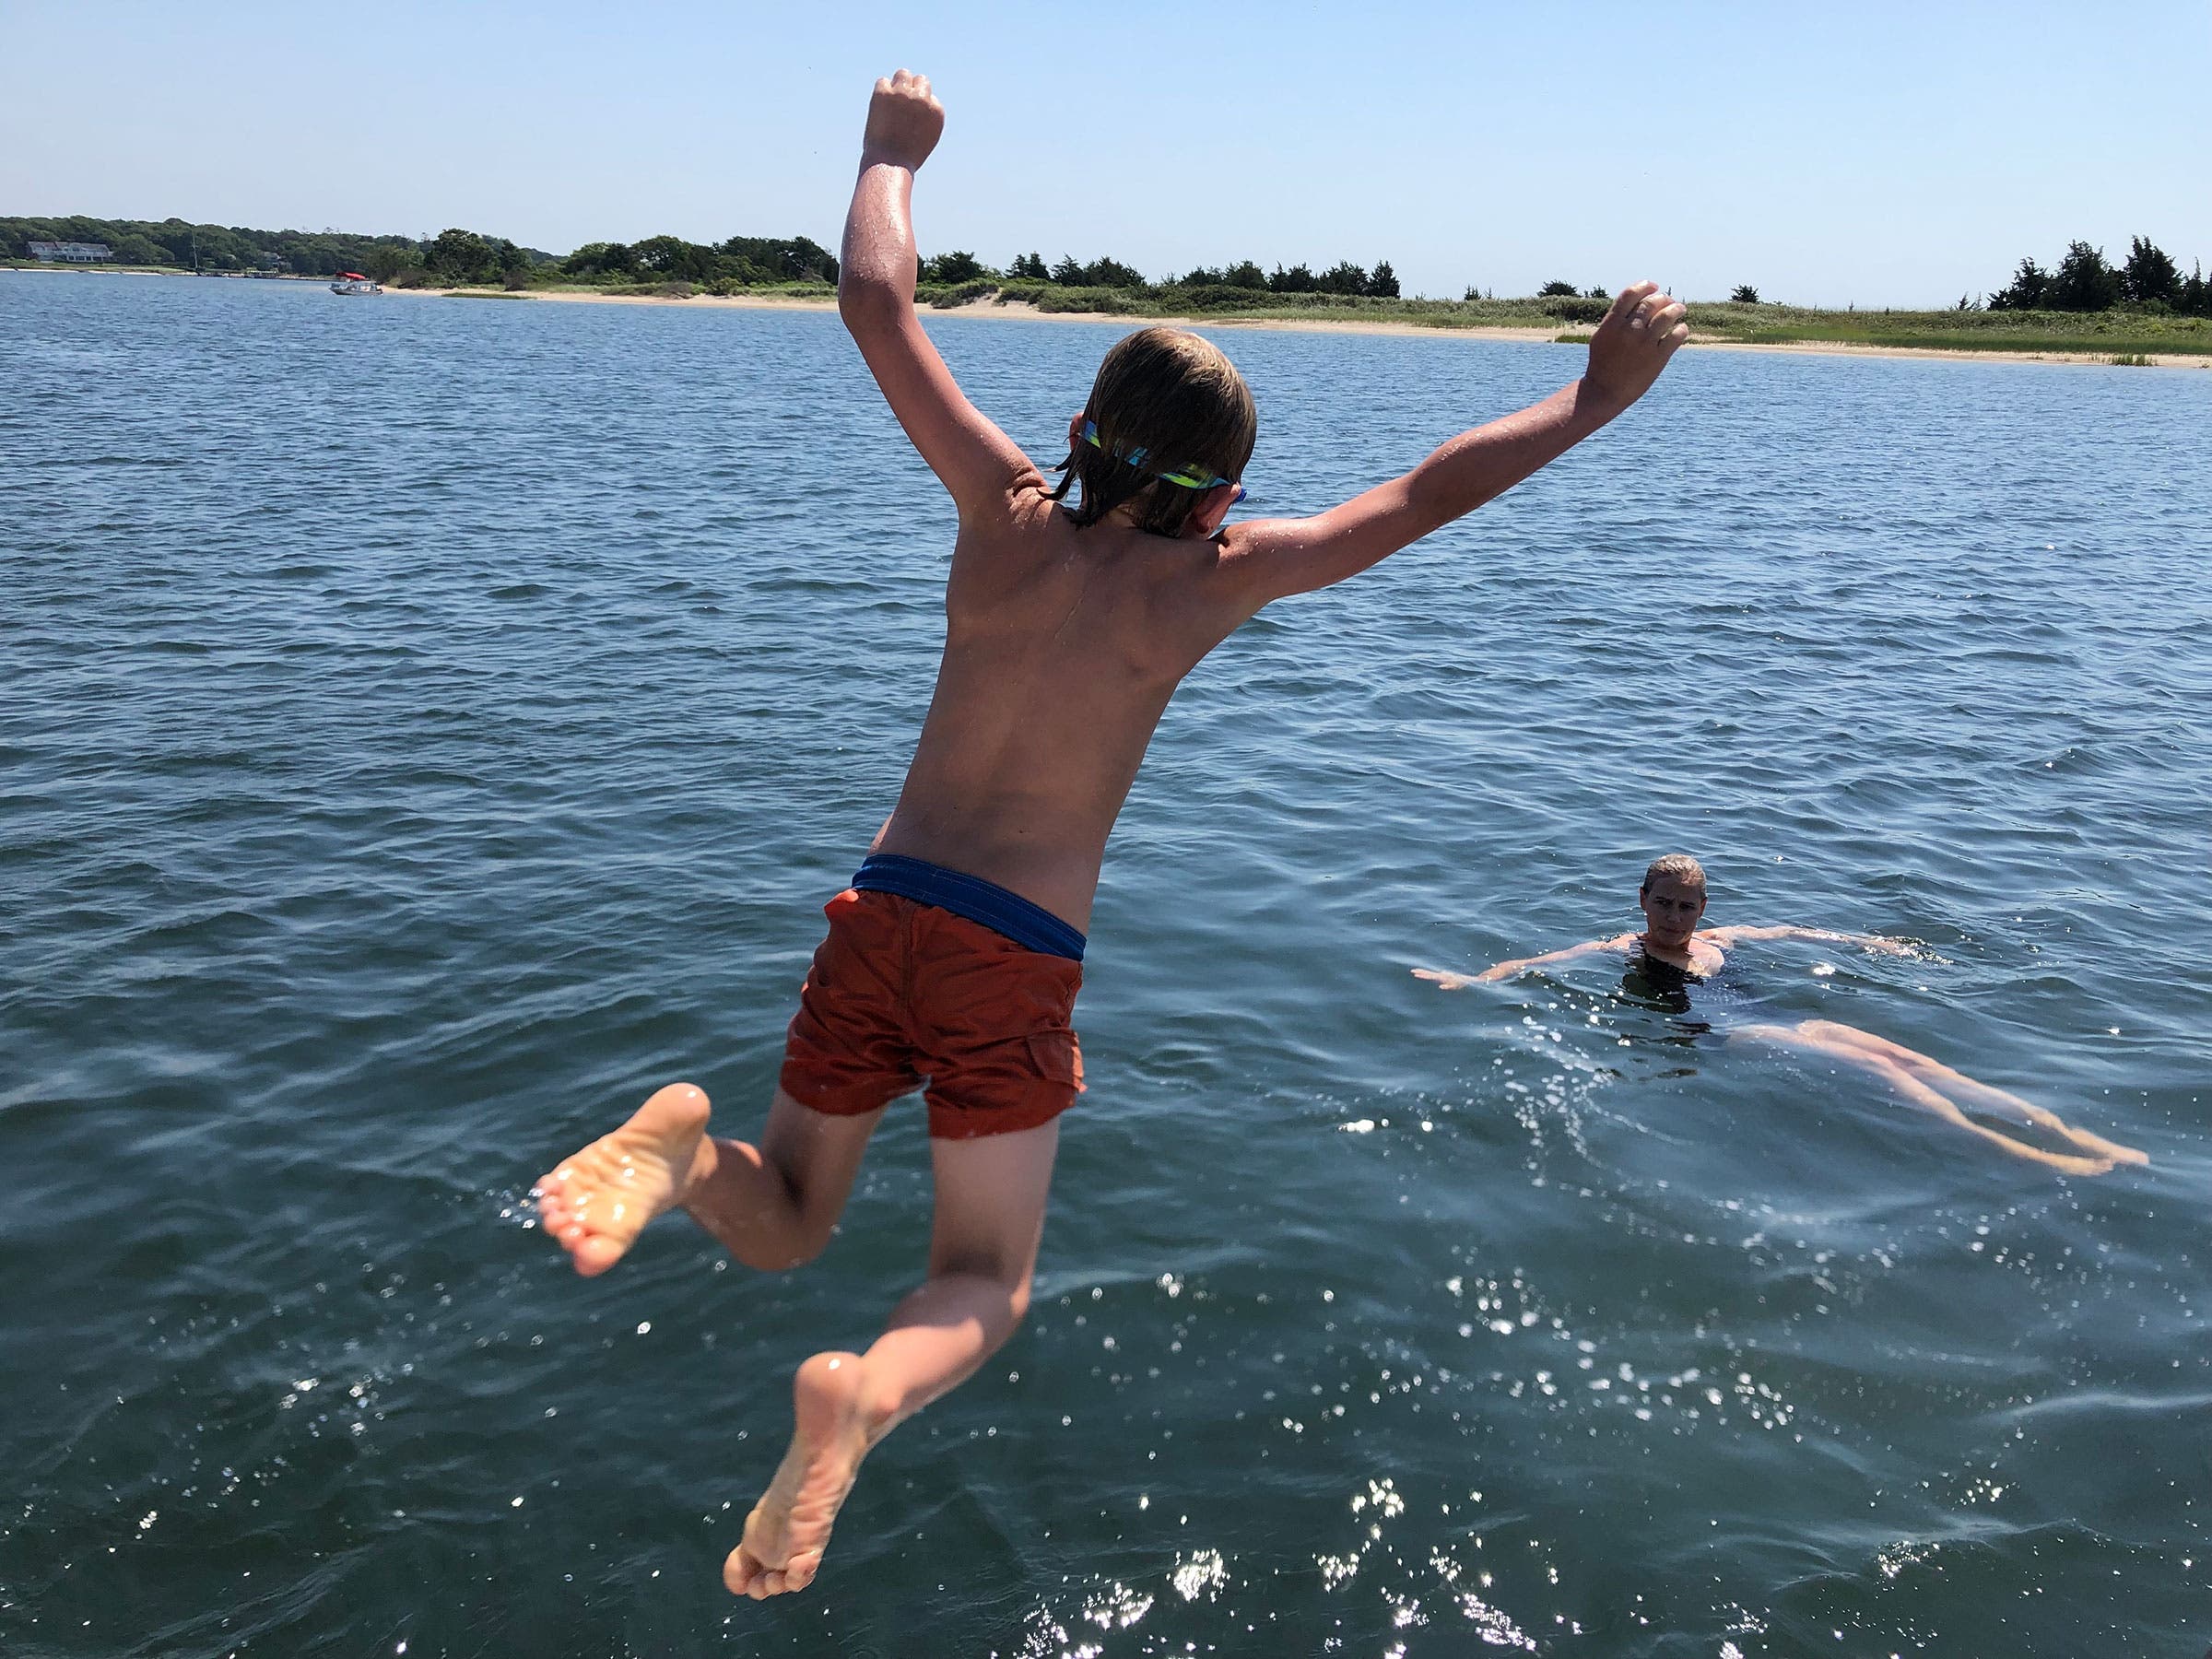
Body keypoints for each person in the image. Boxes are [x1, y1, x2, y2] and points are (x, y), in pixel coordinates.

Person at [535, 66, 1690, 1600]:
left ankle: (687, 1157)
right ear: (1230, 490)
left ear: (1081, 431)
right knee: (982, 1279)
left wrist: (890, 156)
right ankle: (863, 1403)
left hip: (878, 911)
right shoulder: (1215, 579)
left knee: (794, 1217)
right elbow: (1420, 494)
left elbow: (880, 308)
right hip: (1012, 954)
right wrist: (1593, 397)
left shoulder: (1003, 512)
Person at [1417, 853, 2147, 1175]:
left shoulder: (1723, 938)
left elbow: (1798, 931)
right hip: (1738, 1038)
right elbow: (1540, 963)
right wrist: (1473, 979)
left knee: (1914, 1059)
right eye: (1662, 903)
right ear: (1641, 902)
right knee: (1879, 1072)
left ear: (1704, 908)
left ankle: (2060, 1126)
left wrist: (1872, 942)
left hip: (1780, 1021)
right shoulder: (1620, 947)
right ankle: (2029, 1156)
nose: (1674, 916)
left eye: (1687, 905)